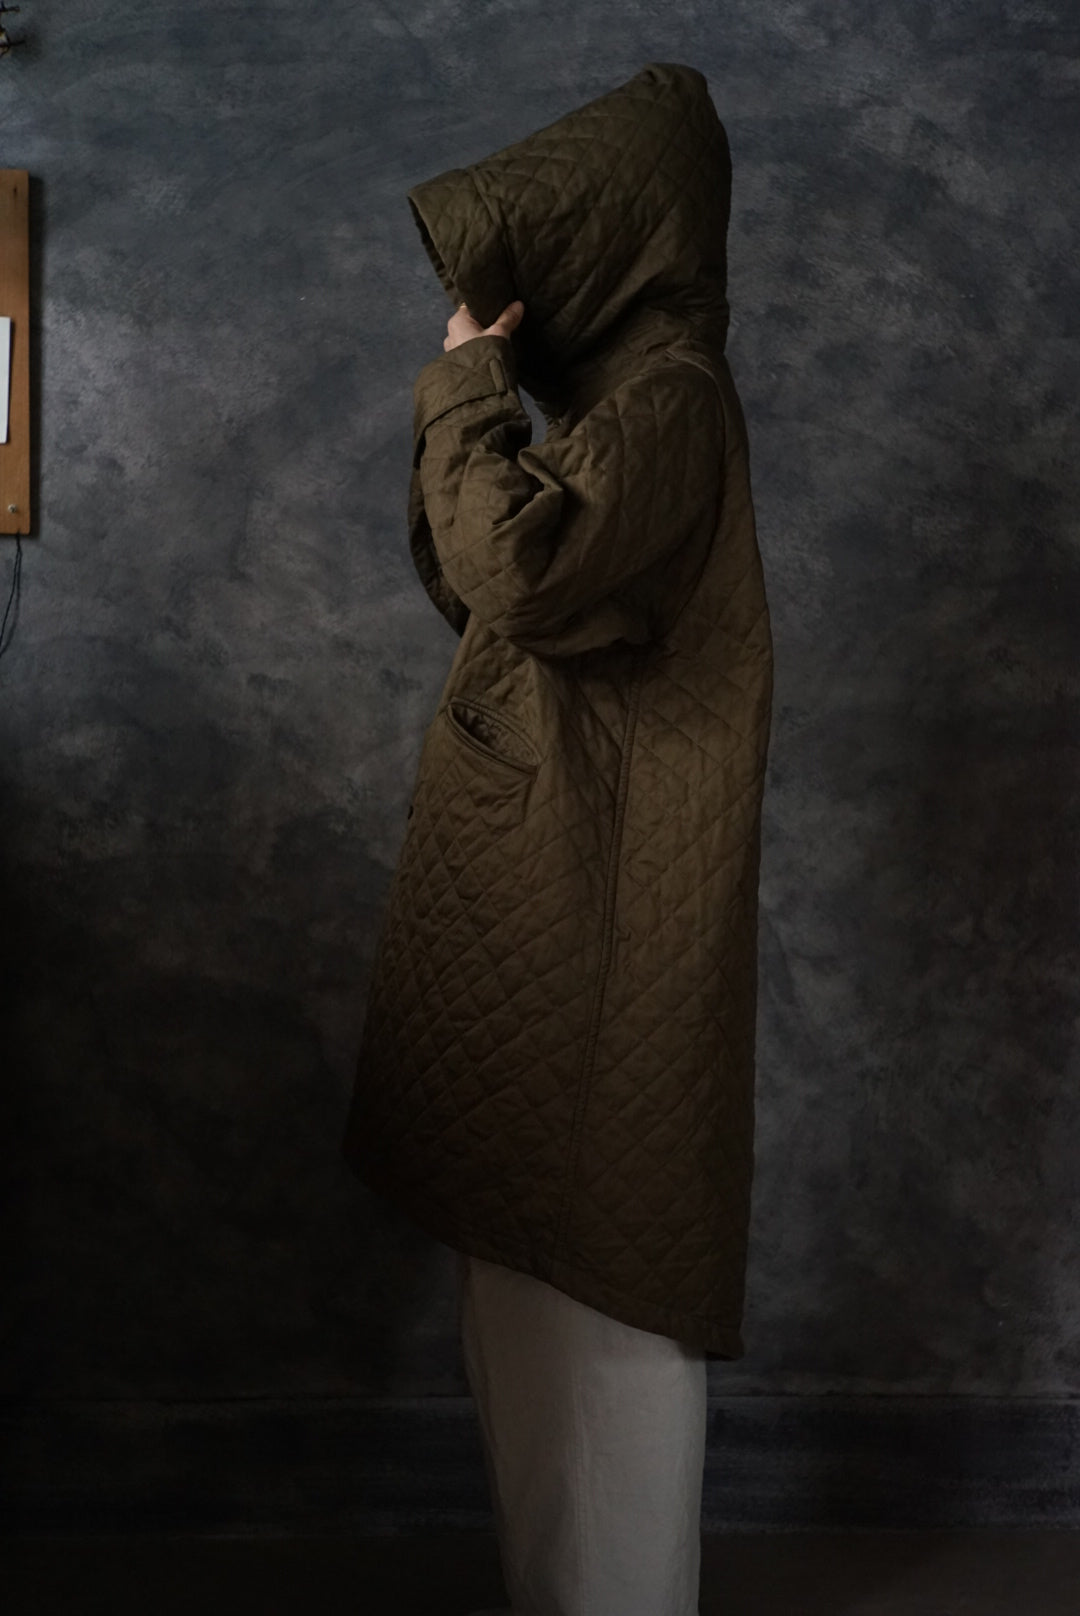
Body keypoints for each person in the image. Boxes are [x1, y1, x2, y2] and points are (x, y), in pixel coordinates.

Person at [342, 61, 773, 1616]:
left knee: (590, 1278)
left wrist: (467, 389)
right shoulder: (629, 401)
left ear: (610, 242)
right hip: (567, 882)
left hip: (598, 893)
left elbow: (514, 576)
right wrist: (488, 403)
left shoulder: (669, 399)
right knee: (535, 1289)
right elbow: (483, 582)